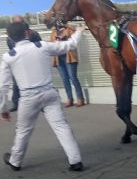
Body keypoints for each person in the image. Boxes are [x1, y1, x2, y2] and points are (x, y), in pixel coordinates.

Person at [0, 22, 85, 171]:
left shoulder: (8, 57)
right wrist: (78, 31)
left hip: (28, 98)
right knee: (61, 126)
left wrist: (3, 108)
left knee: (23, 131)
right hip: (49, 93)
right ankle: (75, 161)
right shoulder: (43, 45)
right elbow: (69, 45)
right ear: (28, 33)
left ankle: (15, 161)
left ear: (10, 38)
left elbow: (3, 86)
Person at [6, 16, 41, 112]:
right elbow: (11, 49)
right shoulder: (10, 38)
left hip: (32, 62)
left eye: (20, 22)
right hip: (17, 63)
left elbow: (39, 46)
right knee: (16, 83)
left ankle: (39, 103)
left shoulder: (33, 34)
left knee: (36, 81)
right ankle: (16, 103)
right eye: (17, 23)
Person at [50, 26, 85, 107]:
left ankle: (80, 98)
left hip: (70, 57)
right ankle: (70, 98)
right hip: (58, 57)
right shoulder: (54, 32)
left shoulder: (69, 29)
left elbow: (73, 43)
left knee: (73, 77)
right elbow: (52, 44)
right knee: (64, 79)